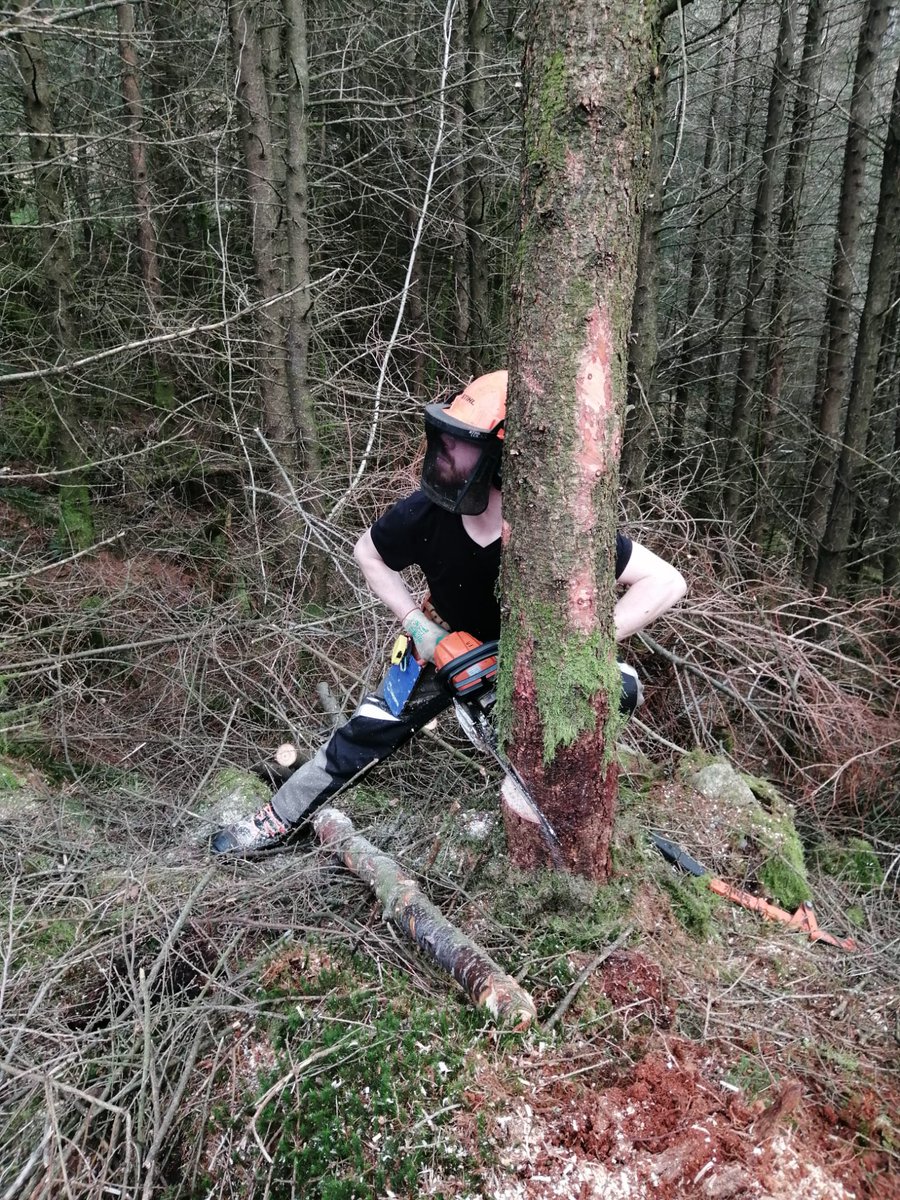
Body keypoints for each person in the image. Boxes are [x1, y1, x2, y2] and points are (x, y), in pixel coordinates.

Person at [211, 370, 686, 854]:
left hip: (532, 662)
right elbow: (367, 553)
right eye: (447, 444)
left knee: (619, 688)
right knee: (369, 731)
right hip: (446, 644)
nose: (448, 460)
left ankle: (546, 792)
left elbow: (667, 581)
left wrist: (573, 649)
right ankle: (277, 816)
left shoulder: (557, 529)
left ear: (505, 457)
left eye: (465, 448)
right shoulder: (427, 513)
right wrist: (418, 627)